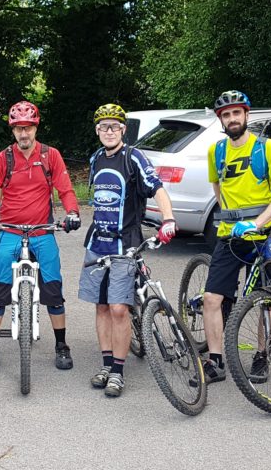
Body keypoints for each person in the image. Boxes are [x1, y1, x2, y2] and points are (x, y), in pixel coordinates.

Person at [0, 100, 81, 372]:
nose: (23, 134)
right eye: (18, 128)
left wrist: (73, 213)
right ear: (13, 130)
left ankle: (61, 344)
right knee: (0, 290)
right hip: (10, 229)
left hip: (43, 230)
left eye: (28, 128)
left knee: (54, 290)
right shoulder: (4, 158)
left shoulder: (50, 155)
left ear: (35, 127)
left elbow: (65, 189)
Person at [80, 103, 178, 397]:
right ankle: (106, 363)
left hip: (125, 243)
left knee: (119, 309)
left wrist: (169, 219)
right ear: (97, 131)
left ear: (123, 130)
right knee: (101, 306)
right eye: (103, 127)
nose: (109, 132)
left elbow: (157, 188)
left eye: (114, 126)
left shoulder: (133, 157)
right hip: (97, 243)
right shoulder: (96, 158)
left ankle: (118, 372)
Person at [199, 90, 271, 385]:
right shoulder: (216, 151)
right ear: (221, 120)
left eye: (236, 113)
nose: (232, 119)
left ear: (246, 115)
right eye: (226, 115)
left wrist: (256, 223)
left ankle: (262, 354)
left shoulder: (268, 148)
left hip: (265, 235)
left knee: (269, 299)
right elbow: (218, 187)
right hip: (230, 236)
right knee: (212, 298)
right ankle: (215, 361)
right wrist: (231, 217)